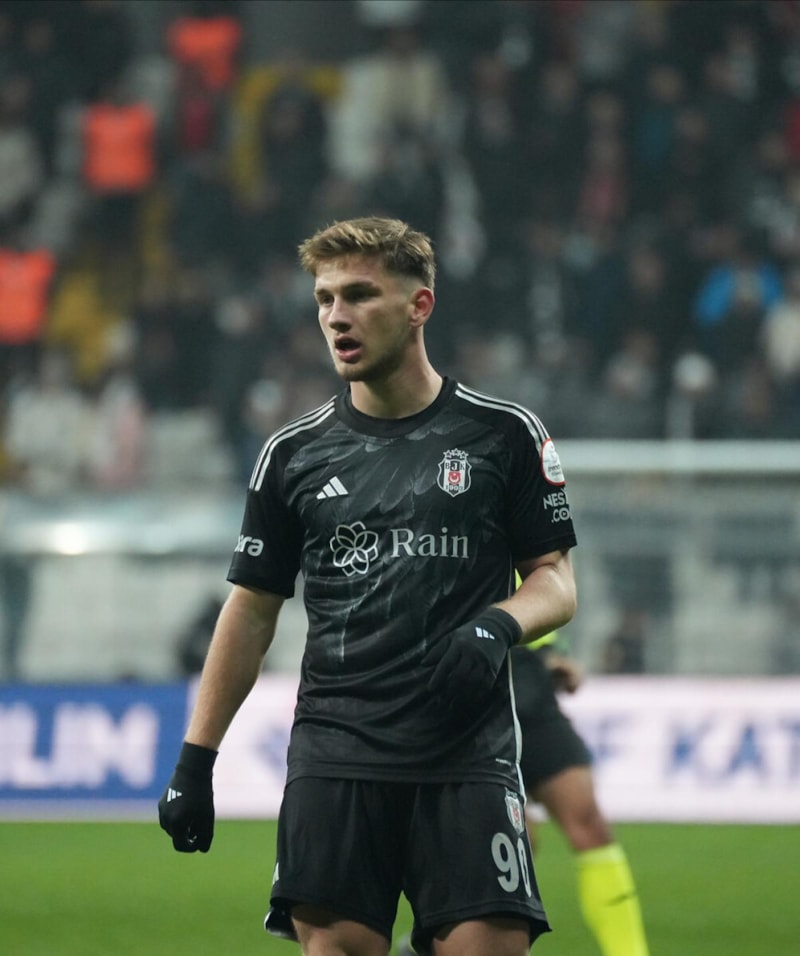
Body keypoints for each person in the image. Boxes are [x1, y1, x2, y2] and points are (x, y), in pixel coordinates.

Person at [158, 216, 578, 956]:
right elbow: (250, 612)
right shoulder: (293, 454)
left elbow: (556, 581)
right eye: (324, 298)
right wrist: (196, 760)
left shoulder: (504, 434)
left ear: (419, 306)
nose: (335, 316)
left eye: (358, 294)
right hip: (337, 756)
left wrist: (496, 626)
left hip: (467, 756)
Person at [397, 632, 650, 956]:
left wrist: (552, 653)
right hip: (474, 675)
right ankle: (432, 942)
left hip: (529, 678)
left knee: (590, 825)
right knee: (512, 839)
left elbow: (545, 606)